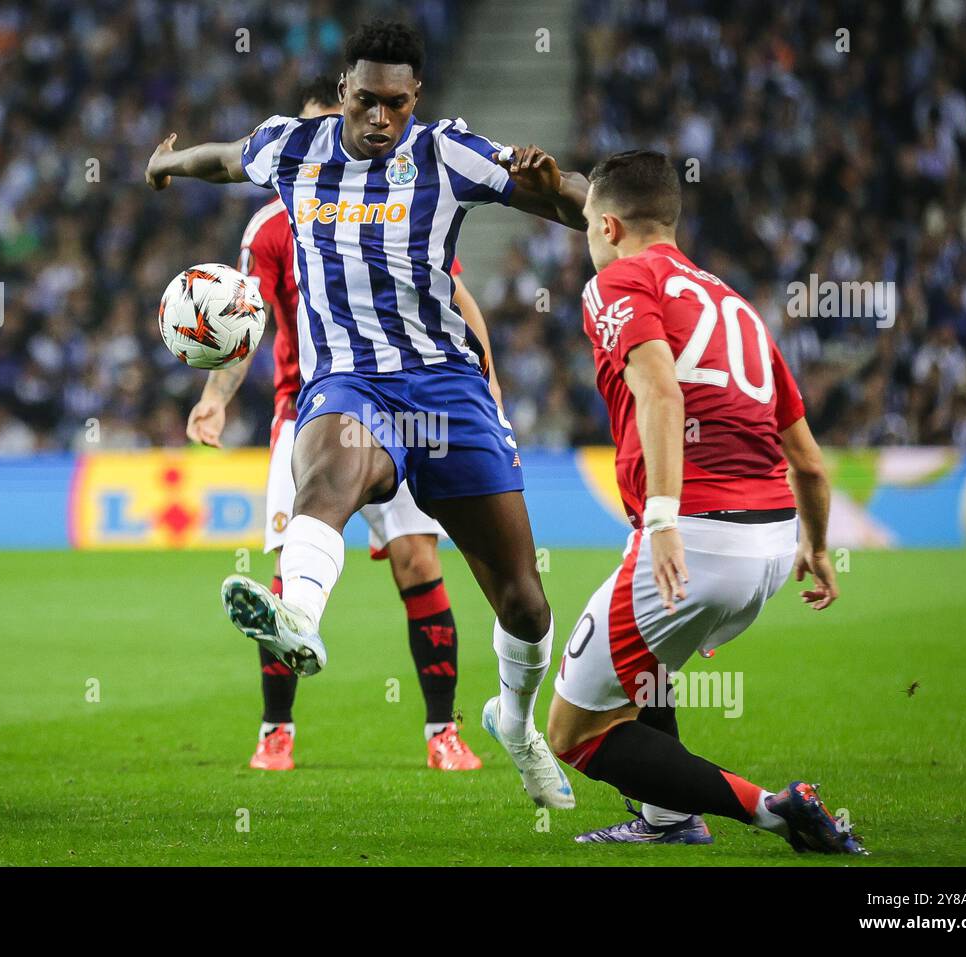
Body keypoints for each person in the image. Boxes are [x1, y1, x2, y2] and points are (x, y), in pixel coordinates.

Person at [146, 19, 589, 807]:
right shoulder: (293, 149)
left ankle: (516, 726)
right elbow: (223, 158)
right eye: (364, 101)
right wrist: (168, 163)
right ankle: (299, 617)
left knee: (523, 599)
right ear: (343, 93)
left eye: (394, 105)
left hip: (446, 391)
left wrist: (585, 201)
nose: (378, 119)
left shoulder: (446, 152)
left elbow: (572, 205)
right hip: (347, 382)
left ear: (415, 99)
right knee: (329, 469)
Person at [546, 149, 864, 853]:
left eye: (590, 230)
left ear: (610, 226)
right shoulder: (735, 304)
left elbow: (661, 389)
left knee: (571, 733)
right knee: (646, 673)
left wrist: (661, 518)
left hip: (697, 534)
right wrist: (815, 546)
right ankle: (667, 819)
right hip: (774, 543)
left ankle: (776, 809)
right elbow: (808, 461)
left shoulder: (618, 282)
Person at [186, 76, 504, 772]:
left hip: (409, 405)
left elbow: (451, 291)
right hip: (309, 416)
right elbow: (247, 317)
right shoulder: (271, 226)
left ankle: (442, 732)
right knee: (286, 579)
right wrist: (217, 397)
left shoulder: (398, 205)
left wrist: (487, 374)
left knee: (420, 563)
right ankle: (277, 731)